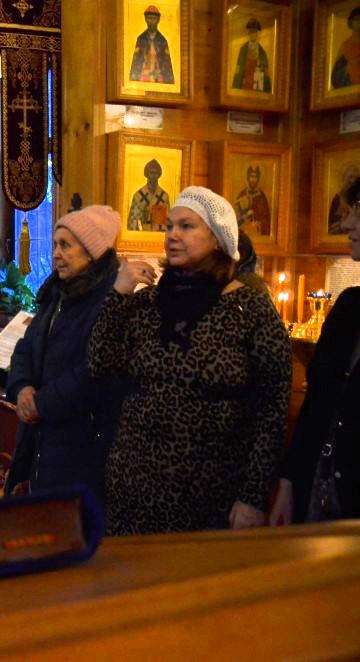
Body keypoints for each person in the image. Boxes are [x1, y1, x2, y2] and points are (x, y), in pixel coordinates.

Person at [88, 186, 291, 535]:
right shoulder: (148, 303)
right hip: (133, 486)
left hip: (209, 495)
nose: (172, 235)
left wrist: (253, 496)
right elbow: (99, 364)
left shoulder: (250, 310)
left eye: (186, 226)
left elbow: (272, 409)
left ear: (217, 238)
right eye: (169, 227)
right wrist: (118, 294)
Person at [4, 206, 123, 503]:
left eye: (66, 245)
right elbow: (27, 345)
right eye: (56, 244)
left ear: (92, 252)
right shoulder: (56, 292)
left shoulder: (111, 301)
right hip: (39, 433)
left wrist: (40, 403)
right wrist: (22, 388)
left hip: (79, 438)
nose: (56, 254)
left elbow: (93, 372)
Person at [270, 177, 360, 524]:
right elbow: (315, 406)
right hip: (316, 500)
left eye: (357, 211)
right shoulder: (348, 306)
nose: (346, 223)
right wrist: (288, 482)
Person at [129, 5, 175, 84]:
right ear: (145, 19)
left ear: (158, 20)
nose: (151, 21)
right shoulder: (141, 39)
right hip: (143, 77)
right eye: (149, 18)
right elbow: (136, 62)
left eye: (154, 18)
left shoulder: (162, 40)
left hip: (159, 77)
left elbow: (167, 65)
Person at [127, 159, 170, 231]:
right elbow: (133, 221)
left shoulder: (164, 196)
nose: (153, 176)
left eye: (156, 173)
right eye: (151, 173)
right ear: (146, 174)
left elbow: (168, 220)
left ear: (159, 174)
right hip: (143, 234)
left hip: (160, 234)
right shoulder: (139, 195)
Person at [232, 17, 271, 93]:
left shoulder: (262, 52)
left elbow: (266, 74)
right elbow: (238, 70)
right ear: (248, 33)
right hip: (245, 85)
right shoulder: (243, 50)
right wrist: (235, 88)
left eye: (255, 32)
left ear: (258, 33)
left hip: (257, 87)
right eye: (251, 32)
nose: (253, 34)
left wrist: (267, 92)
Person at [233, 165, 271, 236]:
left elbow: (266, 219)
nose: (253, 180)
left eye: (255, 177)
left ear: (258, 179)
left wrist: (258, 223)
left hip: (257, 232)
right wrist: (245, 215)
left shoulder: (261, 197)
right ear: (248, 178)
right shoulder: (242, 194)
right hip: (244, 232)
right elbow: (235, 217)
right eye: (251, 177)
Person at [331, 7, 360, 89]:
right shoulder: (345, 45)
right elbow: (336, 74)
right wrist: (350, 65)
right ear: (351, 22)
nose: (359, 22)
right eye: (357, 19)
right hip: (351, 83)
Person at [329, 166, 359, 235]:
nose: (353, 181)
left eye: (356, 178)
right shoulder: (338, 198)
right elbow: (331, 224)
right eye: (351, 177)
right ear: (345, 179)